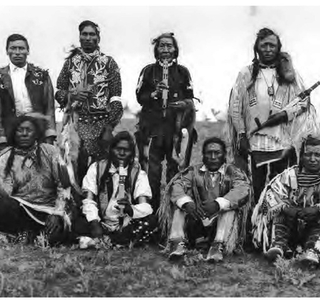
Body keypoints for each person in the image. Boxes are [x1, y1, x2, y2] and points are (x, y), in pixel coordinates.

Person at [227, 27, 317, 204]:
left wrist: (284, 115)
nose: (268, 49)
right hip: (254, 141)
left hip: (283, 140)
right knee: (255, 186)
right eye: (264, 45)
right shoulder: (246, 73)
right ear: (257, 48)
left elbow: (304, 102)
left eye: (272, 45)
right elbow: (235, 106)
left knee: (281, 185)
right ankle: (253, 223)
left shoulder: (289, 74)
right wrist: (241, 134)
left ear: (278, 48)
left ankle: (278, 223)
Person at [158, 137, 251, 262]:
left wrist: (219, 204)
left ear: (224, 155)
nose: (213, 157)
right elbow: (177, 185)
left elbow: (243, 189)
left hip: (222, 224)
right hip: (197, 221)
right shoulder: (193, 171)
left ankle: (218, 247)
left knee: (229, 210)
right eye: (209, 153)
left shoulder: (234, 172)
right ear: (203, 155)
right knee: (180, 208)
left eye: (217, 153)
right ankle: (177, 243)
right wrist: (187, 203)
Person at [55, 20, 123, 187]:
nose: (87, 37)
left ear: (98, 38)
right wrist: (72, 94)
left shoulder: (109, 63)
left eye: (92, 34)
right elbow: (58, 92)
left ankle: (101, 207)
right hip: (77, 123)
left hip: (102, 122)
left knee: (104, 168)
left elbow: (116, 97)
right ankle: (78, 206)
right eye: (84, 34)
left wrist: (109, 127)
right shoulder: (71, 63)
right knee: (77, 165)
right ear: (79, 37)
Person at [135, 32, 197, 212]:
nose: (165, 49)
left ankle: (171, 210)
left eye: (169, 46)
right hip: (152, 128)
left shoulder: (182, 72)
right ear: (156, 49)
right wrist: (154, 93)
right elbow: (139, 96)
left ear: (175, 50)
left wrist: (182, 104)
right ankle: (150, 210)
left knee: (175, 169)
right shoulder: (148, 71)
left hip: (175, 129)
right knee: (150, 171)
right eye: (162, 46)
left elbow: (190, 99)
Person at [73, 131, 157, 248]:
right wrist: (95, 223)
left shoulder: (138, 173)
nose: (122, 153)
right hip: (100, 222)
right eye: (118, 149)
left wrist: (130, 209)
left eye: (126, 150)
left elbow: (146, 207)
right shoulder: (96, 168)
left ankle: (101, 241)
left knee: (151, 222)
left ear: (132, 153)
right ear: (110, 150)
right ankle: (114, 241)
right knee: (77, 222)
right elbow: (88, 200)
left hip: (126, 225)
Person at [0, 114, 72, 245]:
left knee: (54, 238)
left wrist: (57, 213)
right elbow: (6, 194)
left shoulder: (50, 152)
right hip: (21, 209)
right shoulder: (5, 158)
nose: (24, 134)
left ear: (36, 133)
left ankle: (28, 235)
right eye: (20, 130)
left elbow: (64, 186)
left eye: (29, 130)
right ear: (14, 134)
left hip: (48, 210)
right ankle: (22, 232)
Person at [252, 135, 320, 265]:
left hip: (315, 226)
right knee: (277, 211)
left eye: (318, 155)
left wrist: (316, 208)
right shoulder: (289, 175)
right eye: (308, 154)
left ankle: (313, 250)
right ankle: (278, 245)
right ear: (301, 156)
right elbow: (271, 196)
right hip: (290, 226)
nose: (313, 159)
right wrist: (286, 208)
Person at [0, 34, 56, 149]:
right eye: (13, 48)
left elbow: (49, 107)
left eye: (21, 48)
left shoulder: (41, 75)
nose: (17, 52)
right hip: (10, 132)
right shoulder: (1, 77)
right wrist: (1, 137)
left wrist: (50, 133)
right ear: (7, 51)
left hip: (37, 131)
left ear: (28, 51)